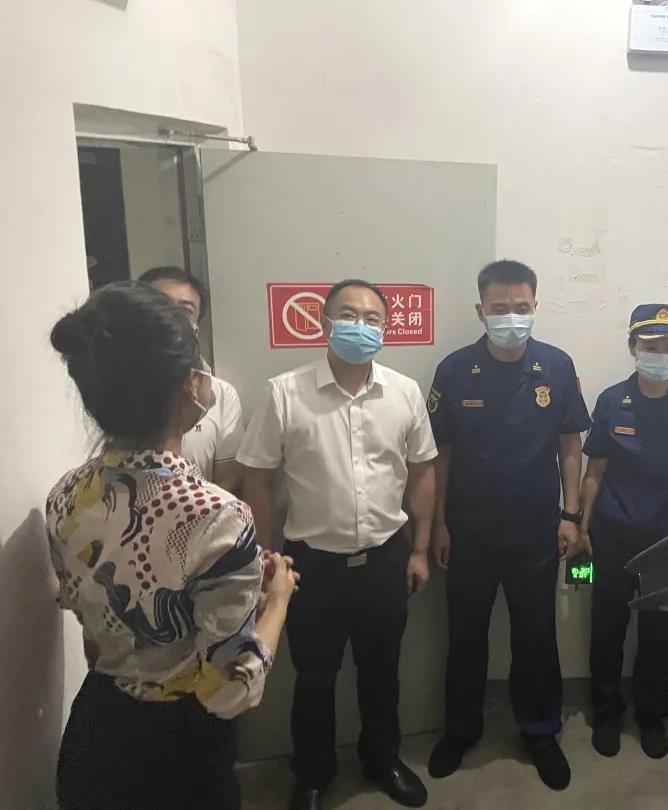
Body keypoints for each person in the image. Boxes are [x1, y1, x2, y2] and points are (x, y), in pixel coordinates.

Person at [46, 281, 297, 810]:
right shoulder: (215, 514)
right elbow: (229, 690)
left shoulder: (67, 493)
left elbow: (99, 631)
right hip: (179, 750)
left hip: (96, 728)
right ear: (189, 386)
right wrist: (277, 600)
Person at [238, 279, 437, 810]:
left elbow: (423, 471)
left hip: (386, 560)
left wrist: (419, 549)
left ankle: (383, 760)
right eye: (348, 315)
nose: (361, 326)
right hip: (311, 566)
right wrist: (267, 556)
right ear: (323, 323)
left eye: (373, 318)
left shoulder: (404, 392)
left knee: (382, 672)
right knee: (313, 678)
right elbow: (257, 477)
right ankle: (312, 775)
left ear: (386, 328)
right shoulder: (284, 392)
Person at [425, 260, 591, 791]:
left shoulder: (556, 366)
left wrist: (571, 516)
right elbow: (440, 454)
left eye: (522, 307)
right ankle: (461, 730)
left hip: (535, 531)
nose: (512, 317)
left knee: (536, 635)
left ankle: (540, 730)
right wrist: (439, 523)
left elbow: (570, 446)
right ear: (481, 311)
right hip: (468, 532)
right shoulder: (454, 370)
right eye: (500, 308)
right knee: (465, 635)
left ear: (535, 307)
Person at [580, 304, 668, 760]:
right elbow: (595, 471)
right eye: (651, 345)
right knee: (607, 626)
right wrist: (581, 527)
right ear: (633, 347)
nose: (661, 354)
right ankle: (606, 712)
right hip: (613, 534)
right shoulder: (612, 400)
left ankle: (652, 714)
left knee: (658, 631)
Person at [139, 266, 246, 495]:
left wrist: (193, 508)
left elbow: (230, 476)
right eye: (161, 305)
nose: (172, 317)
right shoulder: (113, 385)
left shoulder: (218, 392)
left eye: (185, 311)